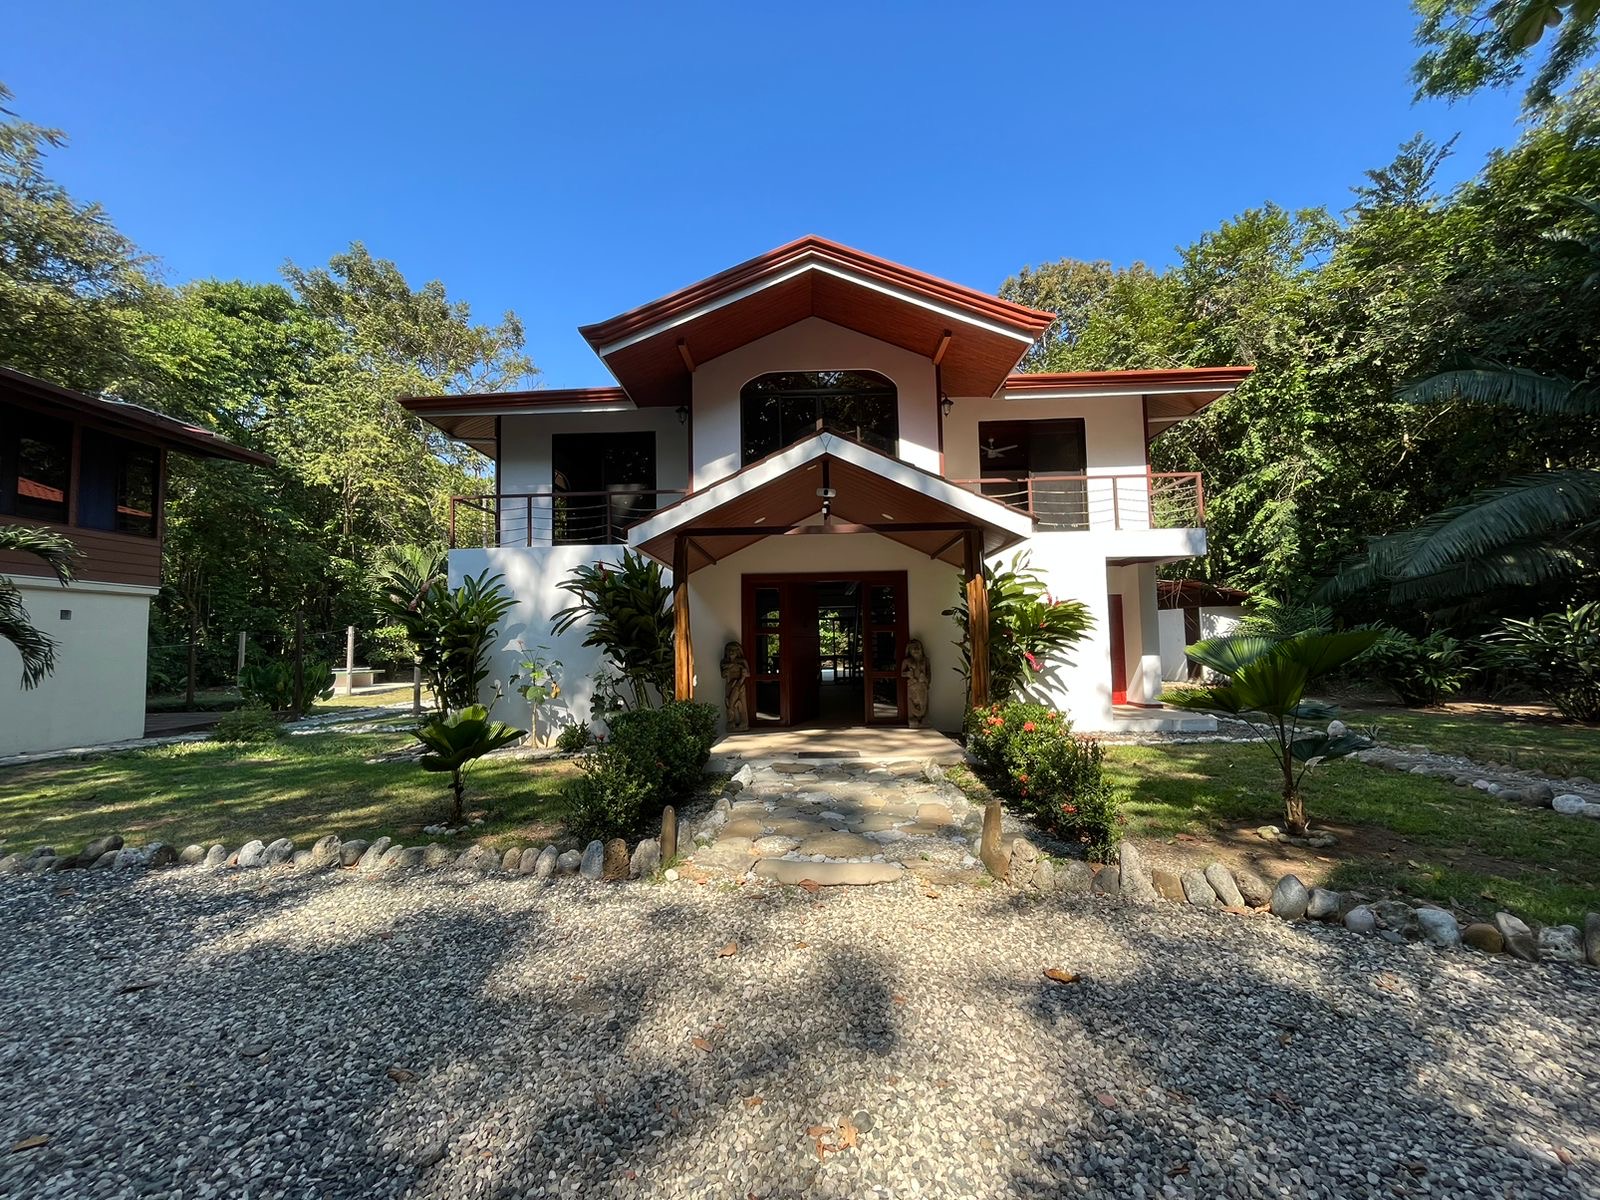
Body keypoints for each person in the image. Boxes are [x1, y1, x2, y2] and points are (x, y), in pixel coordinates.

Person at [902, 638, 930, 727]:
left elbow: (929, 673)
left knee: (923, 701)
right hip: (912, 685)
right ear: (909, 650)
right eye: (913, 648)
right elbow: (902, 673)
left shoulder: (925, 660)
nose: (916, 650)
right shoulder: (906, 661)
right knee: (913, 701)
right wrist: (908, 673)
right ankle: (913, 717)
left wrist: (925, 679)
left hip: (922, 685)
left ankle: (923, 717)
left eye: (918, 647)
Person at [722, 641, 750, 731]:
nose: (731, 652)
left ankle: (744, 722)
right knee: (729, 703)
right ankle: (731, 722)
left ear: (738, 651)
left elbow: (748, 674)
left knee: (742, 704)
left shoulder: (742, 662)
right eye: (729, 650)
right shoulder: (724, 662)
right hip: (729, 684)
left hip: (740, 684)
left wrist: (744, 673)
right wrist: (726, 671)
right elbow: (722, 675)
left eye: (733, 650)